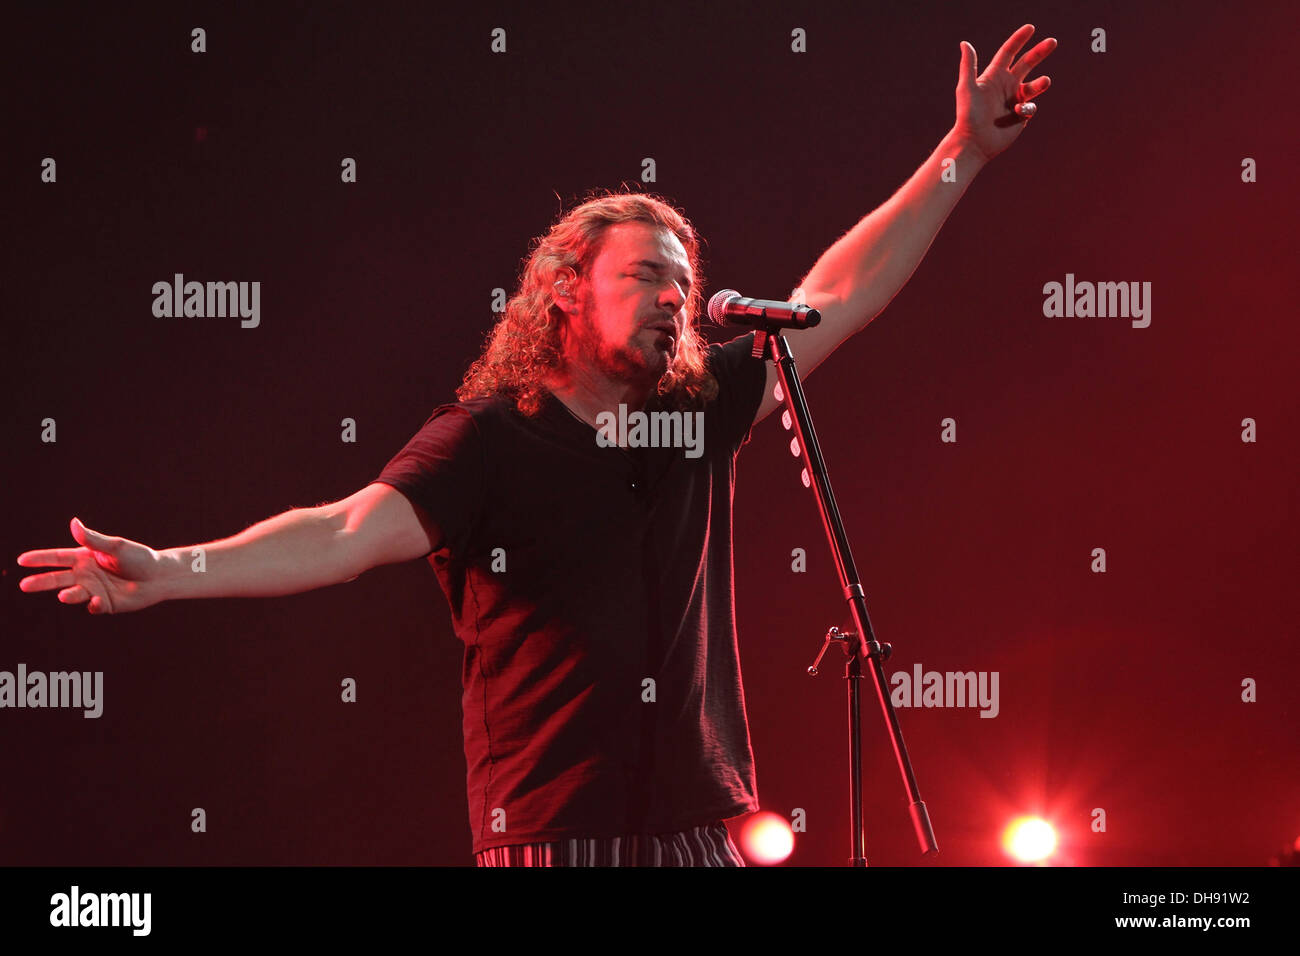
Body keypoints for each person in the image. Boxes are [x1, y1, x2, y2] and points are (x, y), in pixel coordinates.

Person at [17, 26, 1055, 866]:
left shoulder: (695, 406)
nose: (676, 298)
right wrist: (172, 571)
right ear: (563, 287)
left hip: (706, 831)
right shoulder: (487, 442)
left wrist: (959, 154)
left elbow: (836, 293)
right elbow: (338, 531)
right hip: (554, 839)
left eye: (684, 284)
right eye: (648, 274)